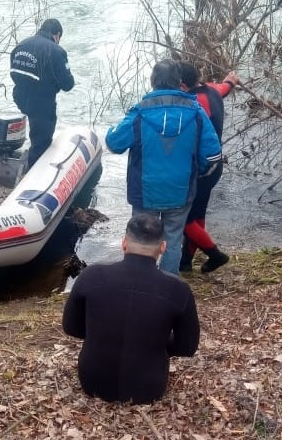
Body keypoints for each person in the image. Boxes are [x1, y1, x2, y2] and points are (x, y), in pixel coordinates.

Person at [62, 214, 200, 404]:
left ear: (124, 243)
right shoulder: (178, 290)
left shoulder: (91, 275)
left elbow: (71, 327)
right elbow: (187, 347)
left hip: (93, 382)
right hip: (148, 388)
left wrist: (104, 332)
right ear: (162, 248)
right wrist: (153, 339)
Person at [106, 59, 222, 276]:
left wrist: (111, 129)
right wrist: (198, 174)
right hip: (180, 190)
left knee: (140, 239)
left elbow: (114, 143)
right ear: (178, 82)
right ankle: (168, 285)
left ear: (152, 82)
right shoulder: (196, 111)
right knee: (173, 239)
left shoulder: (140, 112)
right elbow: (213, 155)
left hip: (145, 191)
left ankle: (136, 283)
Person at [178, 62, 239, 273]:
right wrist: (231, 80)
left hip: (202, 167)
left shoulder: (193, 102)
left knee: (183, 218)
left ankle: (215, 255)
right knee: (198, 215)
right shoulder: (212, 89)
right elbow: (225, 87)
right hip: (215, 164)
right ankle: (185, 262)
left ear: (182, 85)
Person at [9, 19, 75, 169]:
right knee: (42, 141)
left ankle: (29, 153)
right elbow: (68, 84)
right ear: (57, 35)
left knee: (35, 128)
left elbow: (13, 71)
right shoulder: (56, 51)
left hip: (20, 96)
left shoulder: (21, 45)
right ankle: (34, 172)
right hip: (41, 102)